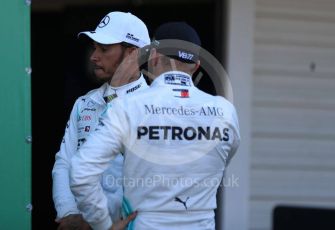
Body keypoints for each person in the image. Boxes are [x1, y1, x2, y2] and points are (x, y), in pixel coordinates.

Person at [70, 22, 240, 230]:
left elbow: (81, 171)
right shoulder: (225, 111)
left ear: (153, 57)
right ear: (196, 66)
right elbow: (222, 160)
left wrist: (103, 224)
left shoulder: (127, 106)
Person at [52, 11, 150, 230]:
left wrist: (98, 221)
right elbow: (64, 162)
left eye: (104, 49)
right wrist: (69, 214)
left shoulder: (155, 108)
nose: (93, 56)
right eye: (95, 47)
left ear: (132, 54)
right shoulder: (85, 103)